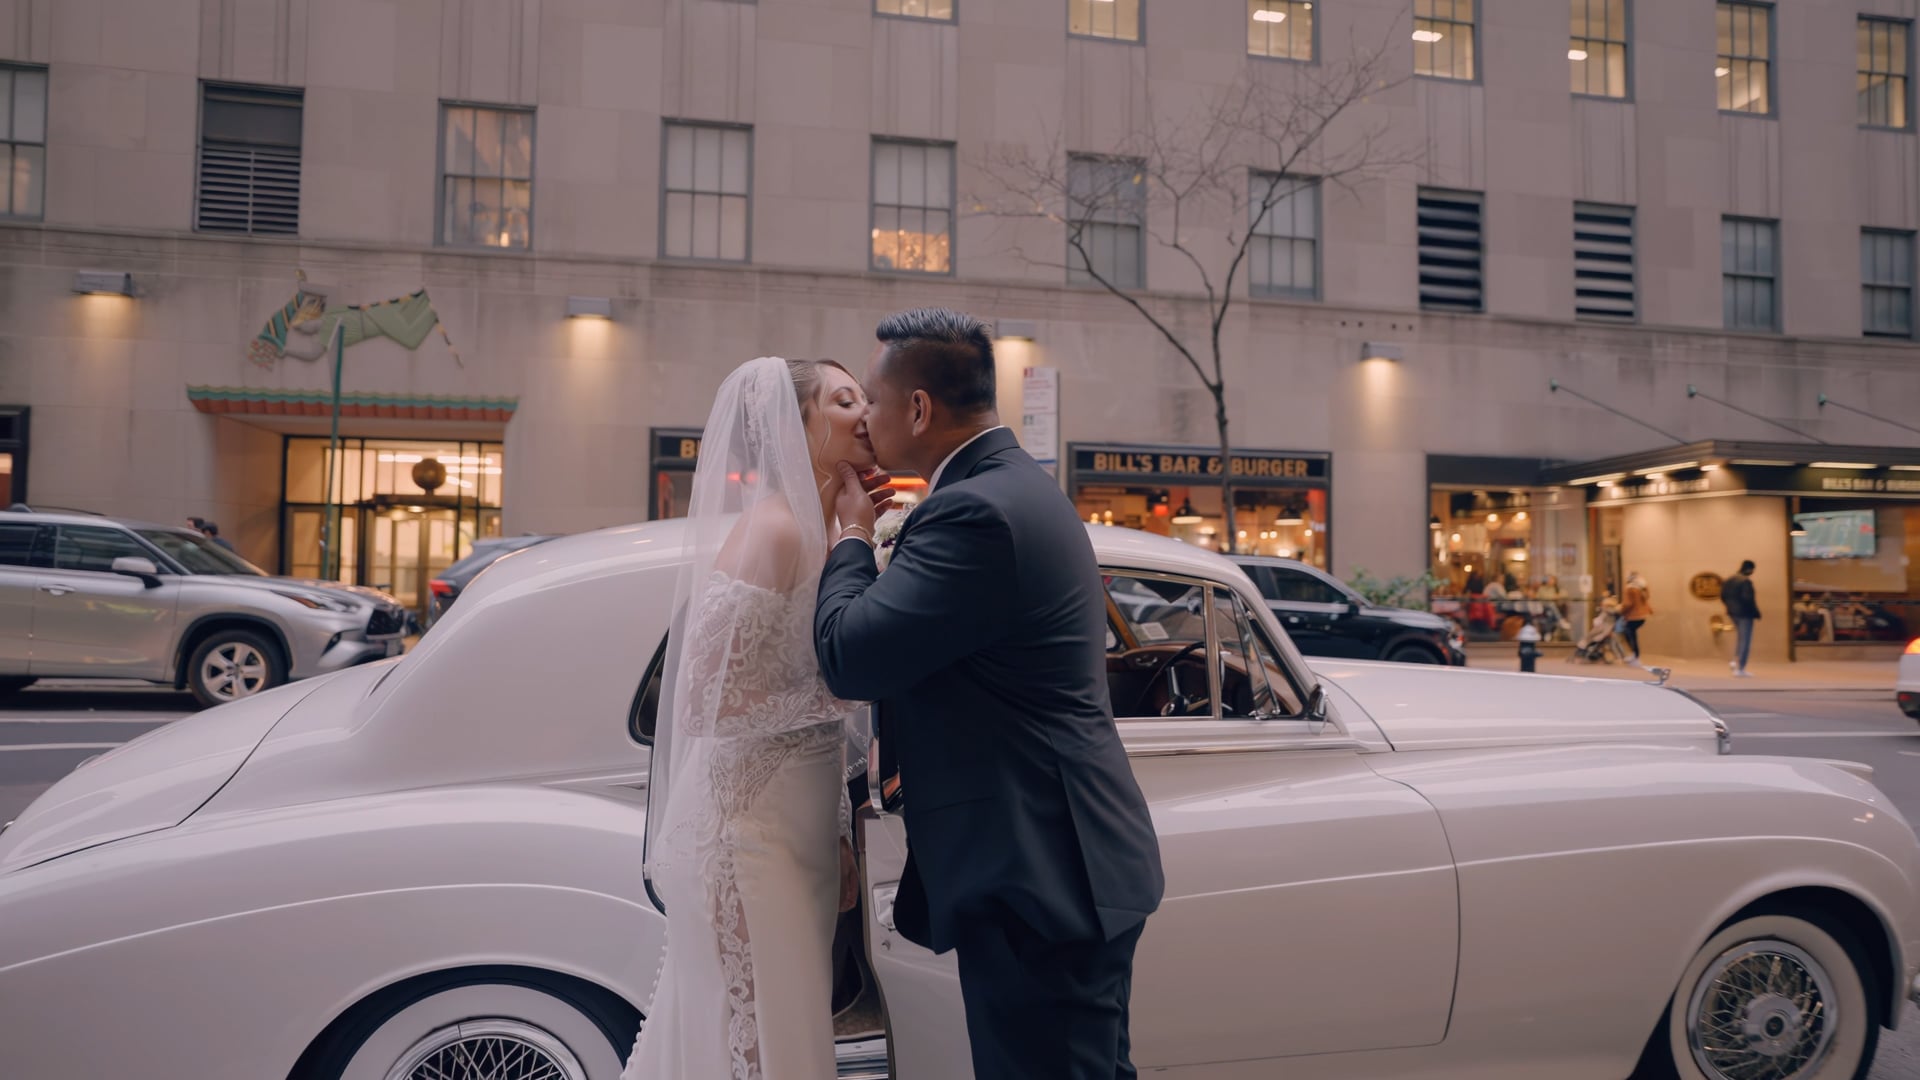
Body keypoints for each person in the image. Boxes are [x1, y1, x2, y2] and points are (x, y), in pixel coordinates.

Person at [815, 308, 1164, 1079]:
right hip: (1062, 861)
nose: (867, 418)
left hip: (1040, 876)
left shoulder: (972, 512)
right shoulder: (1011, 488)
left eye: (872, 400)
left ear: (917, 409)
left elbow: (851, 657)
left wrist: (848, 538)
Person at [624, 356, 879, 1080]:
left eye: (865, 397)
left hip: (799, 828)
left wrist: (838, 833)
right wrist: (842, 698)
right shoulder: (775, 531)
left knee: (793, 1022)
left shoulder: (832, 531)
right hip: (750, 835)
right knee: (759, 1036)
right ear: (794, 425)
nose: (864, 413)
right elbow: (703, 694)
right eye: (843, 400)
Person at [1722, 559, 1761, 677]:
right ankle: (1740, 667)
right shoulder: (1745, 582)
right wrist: (1756, 612)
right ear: (1749, 569)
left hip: (1733, 613)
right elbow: (1748, 599)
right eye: (1752, 570)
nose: (1752, 572)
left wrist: (1730, 607)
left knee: (1740, 638)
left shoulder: (1729, 580)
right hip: (1745, 613)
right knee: (1745, 640)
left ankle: (1735, 661)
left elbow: (1723, 596)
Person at [1621, 570, 1653, 666]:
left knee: (1628, 634)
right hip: (1642, 616)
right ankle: (1634, 655)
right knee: (1631, 634)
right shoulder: (1642, 588)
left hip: (1633, 616)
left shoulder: (1629, 589)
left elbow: (1628, 604)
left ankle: (1635, 655)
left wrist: (1621, 610)